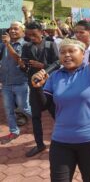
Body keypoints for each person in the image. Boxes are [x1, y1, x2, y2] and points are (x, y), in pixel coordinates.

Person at [31, 23, 90, 182]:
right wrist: (37, 88)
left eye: (71, 51)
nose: (66, 55)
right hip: (61, 140)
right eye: (62, 52)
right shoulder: (54, 77)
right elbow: (43, 105)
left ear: (83, 54)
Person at [21, 21, 59, 157]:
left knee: (57, 115)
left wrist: (43, 66)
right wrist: (22, 65)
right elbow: (25, 66)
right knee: (35, 117)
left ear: (42, 32)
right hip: (34, 87)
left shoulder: (50, 44)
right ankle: (39, 145)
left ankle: (64, 140)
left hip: (50, 87)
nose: (31, 37)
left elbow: (58, 63)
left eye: (34, 34)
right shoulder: (26, 46)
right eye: (28, 34)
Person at [0, 22, 32, 144]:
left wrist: (8, 44)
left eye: (16, 28)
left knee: (24, 107)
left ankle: (37, 120)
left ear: (22, 31)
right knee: (8, 109)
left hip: (20, 83)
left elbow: (19, 60)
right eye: (11, 29)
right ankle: (14, 131)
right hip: (6, 83)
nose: (12, 31)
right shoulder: (3, 45)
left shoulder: (26, 45)